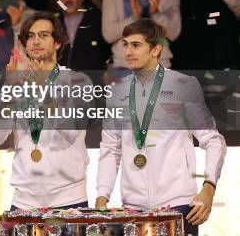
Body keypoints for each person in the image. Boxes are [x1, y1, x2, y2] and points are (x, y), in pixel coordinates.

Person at [96, 19, 226, 235]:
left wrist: (209, 189)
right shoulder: (117, 92)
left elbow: (213, 141)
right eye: (125, 44)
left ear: (156, 49)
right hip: (132, 209)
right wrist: (102, 197)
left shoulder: (183, 85)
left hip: (178, 206)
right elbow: (110, 148)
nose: (128, 51)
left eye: (136, 45)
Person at [0, 11, 89, 210]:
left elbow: (70, 132)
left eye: (44, 35)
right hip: (24, 201)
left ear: (58, 42)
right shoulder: (17, 83)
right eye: (30, 36)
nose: (35, 41)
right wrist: (9, 92)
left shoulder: (77, 81)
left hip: (69, 199)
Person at [58, 0, 108, 71]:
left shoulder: (97, 21)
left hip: (90, 82)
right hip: (60, 82)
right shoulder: (54, 23)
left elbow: (105, 53)